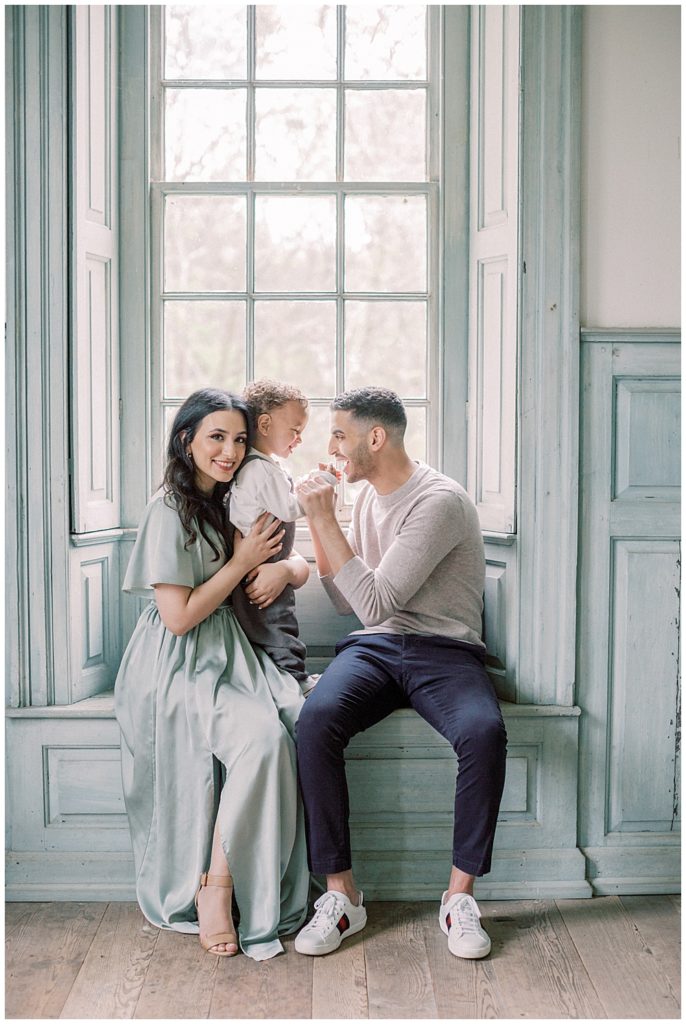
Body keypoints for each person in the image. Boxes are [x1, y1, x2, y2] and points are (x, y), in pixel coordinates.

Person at [292, 386, 507, 960]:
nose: (331, 446)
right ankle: (343, 897)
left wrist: (320, 514)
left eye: (339, 434)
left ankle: (459, 898)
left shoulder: (439, 501)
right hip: (376, 649)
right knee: (314, 723)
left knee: (484, 733)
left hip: (446, 650)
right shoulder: (365, 498)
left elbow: (377, 600)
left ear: (375, 438)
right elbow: (348, 605)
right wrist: (324, 518)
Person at [114, 388, 310, 961]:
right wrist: (243, 562)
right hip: (175, 659)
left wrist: (281, 564)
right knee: (262, 740)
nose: (229, 451)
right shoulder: (168, 508)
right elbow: (177, 618)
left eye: (239, 439)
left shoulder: (233, 497)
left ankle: (228, 880)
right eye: (216, 438)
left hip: (228, 648)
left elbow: (291, 558)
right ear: (187, 440)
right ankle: (213, 891)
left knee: (293, 723)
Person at [229, 379, 333, 697]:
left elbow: (281, 495)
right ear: (264, 423)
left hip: (264, 561)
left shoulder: (262, 466)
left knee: (266, 625)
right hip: (264, 560)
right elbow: (289, 508)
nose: (299, 439)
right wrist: (325, 483)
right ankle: (296, 678)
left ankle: (278, 678)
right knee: (277, 624)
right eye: (295, 430)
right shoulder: (261, 470)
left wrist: (305, 481)